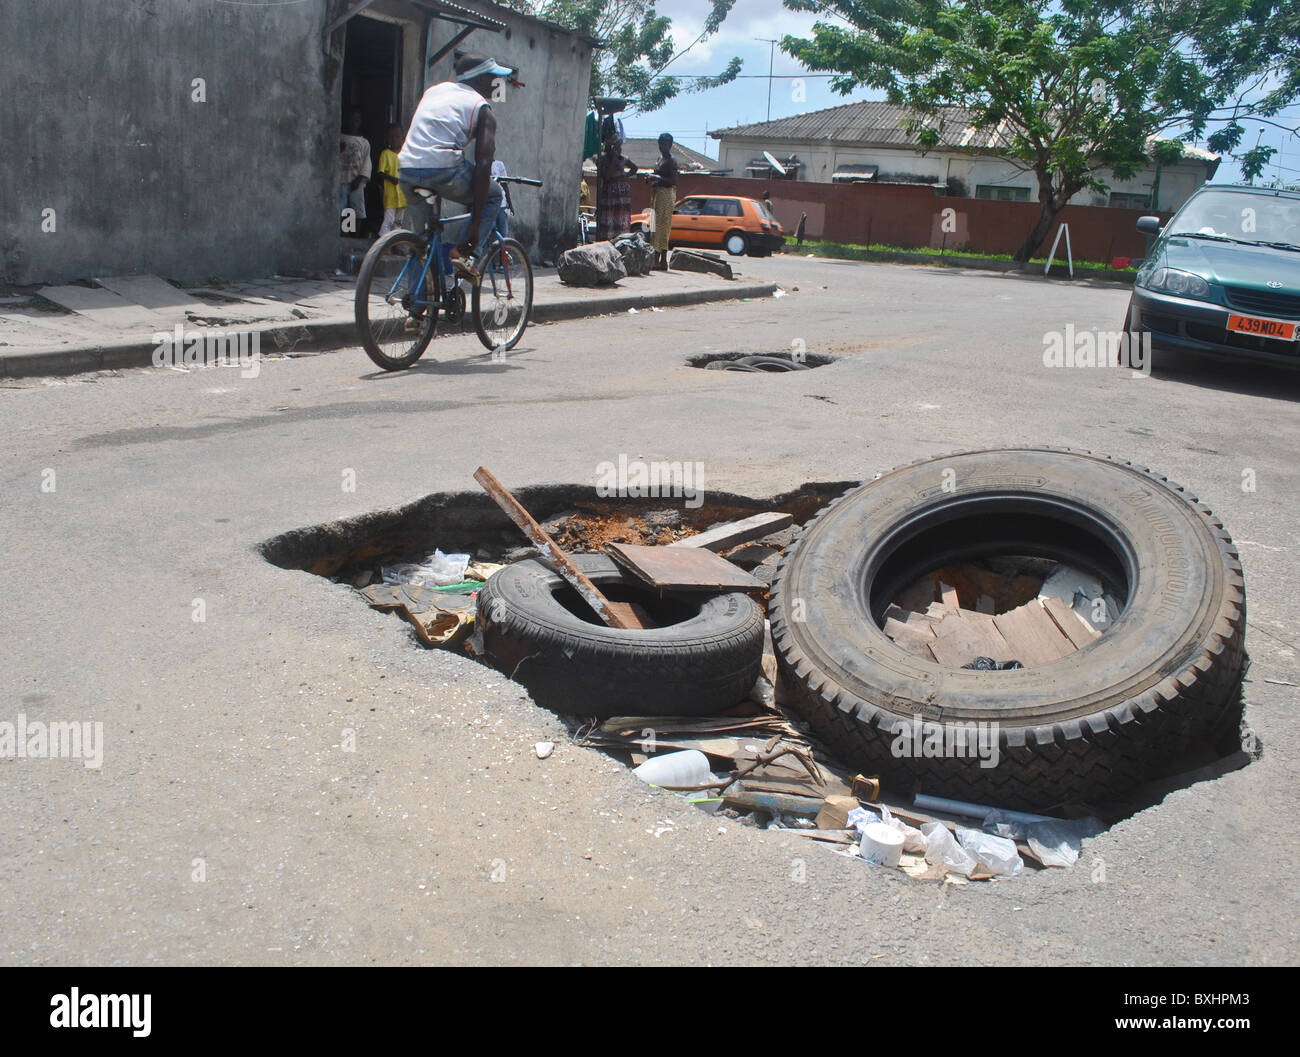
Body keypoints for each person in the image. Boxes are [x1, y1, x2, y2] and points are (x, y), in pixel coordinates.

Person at [397, 52, 511, 275]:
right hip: (442, 170)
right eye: (493, 78)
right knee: (495, 194)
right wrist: (475, 227)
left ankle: (419, 305)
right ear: (479, 80)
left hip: (407, 167)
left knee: (420, 244)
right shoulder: (482, 107)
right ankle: (465, 255)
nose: (498, 83)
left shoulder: (435, 91)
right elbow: (484, 163)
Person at [595, 127, 636, 242]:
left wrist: (625, 177)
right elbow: (606, 177)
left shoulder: (623, 158)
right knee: (609, 220)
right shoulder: (602, 160)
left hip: (622, 196)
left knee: (621, 219)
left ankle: (620, 241)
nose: (620, 149)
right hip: (610, 194)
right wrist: (613, 159)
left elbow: (634, 168)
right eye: (617, 146)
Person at [646, 132, 679, 270]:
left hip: (666, 195)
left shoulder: (672, 160)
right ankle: (656, 259)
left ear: (670, 145)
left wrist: (658, 178)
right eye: (660, 144)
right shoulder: (660, 158)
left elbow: (673, 180)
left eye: (664, 144)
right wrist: (651, 179)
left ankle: (661, 260)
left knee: (663, 227)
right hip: (657, 194)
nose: (661, 147)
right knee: (654, 226)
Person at [339, 108, 371, 236]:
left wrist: (360, 179)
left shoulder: (364, 142)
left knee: (356, 210)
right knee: (343, 209)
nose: (353, 123)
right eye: (351, 120)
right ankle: (344, 235)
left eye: (356, 120)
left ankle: (354, 236)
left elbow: (366, 163)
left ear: (360, 122)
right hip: (341, 179)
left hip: (357, 181)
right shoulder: (340, 137)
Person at [376, 123, 409, 237]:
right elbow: (380, 172)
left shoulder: (405, 155)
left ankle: (395, 245)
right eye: (391, 137)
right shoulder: (386, 154)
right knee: (389, 220)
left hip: (402, 195)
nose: (394, 139)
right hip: (391, 194)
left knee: (398, 222)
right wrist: (392, 179)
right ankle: (383, 243)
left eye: (397, 136)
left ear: (402, 138)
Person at [491, 158, 514, 239]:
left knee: (504, 233)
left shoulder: (499, 164)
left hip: (502, 205)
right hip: (489, 205)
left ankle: (504, 250)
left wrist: (510, 204)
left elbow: (504, 184)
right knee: (490, 233)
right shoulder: (479, 164)